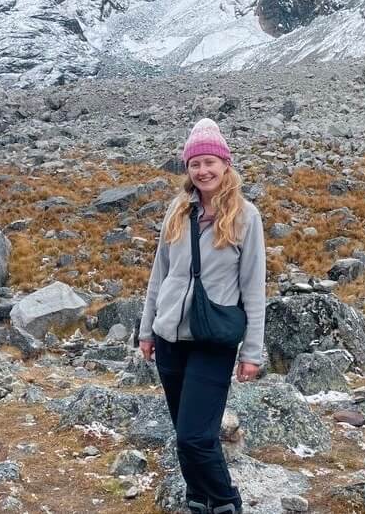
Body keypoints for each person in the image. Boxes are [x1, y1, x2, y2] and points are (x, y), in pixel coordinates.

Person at [138, 118, 266, 514]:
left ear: (225, 165)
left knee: (195, 437)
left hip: (213, 339)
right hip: (170, 338)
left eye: (210, 162)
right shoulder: (177, 212)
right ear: (187, 169)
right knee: (186, 434)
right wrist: (146, 330)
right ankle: (198, 500)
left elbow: (254, 287)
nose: (203, 170)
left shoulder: (246, 217)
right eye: (195, 164)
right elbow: (159, 275)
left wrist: (252, 352)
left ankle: (226, 502)